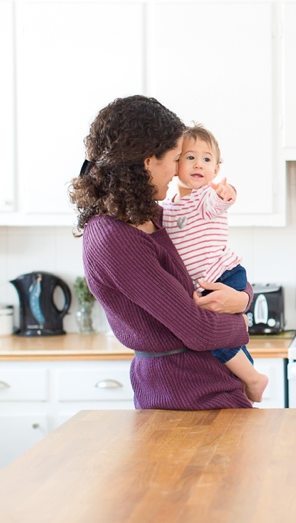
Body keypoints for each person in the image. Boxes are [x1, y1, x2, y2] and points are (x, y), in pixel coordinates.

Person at [70, 95, 254, 410]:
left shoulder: (153, 216)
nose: (176, 169)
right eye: (175, 157)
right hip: (182, 401)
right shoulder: (113, 238)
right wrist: (243, 323)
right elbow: (197, 329)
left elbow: (212, 267)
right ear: (148, 161)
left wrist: (242, 298)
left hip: (212, 390)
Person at [161, 123, 268, 403]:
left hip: (224, 274)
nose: (199, 164)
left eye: (207, 159)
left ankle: (254, 379)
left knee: (216, 336)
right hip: (208, 282)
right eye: (190, 157)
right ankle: (250, 376)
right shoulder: (168, 207)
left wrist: (226, 192)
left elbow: (221, 199)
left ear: (216, 169)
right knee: (224, 335)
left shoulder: (205, 197)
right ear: (175, 164)